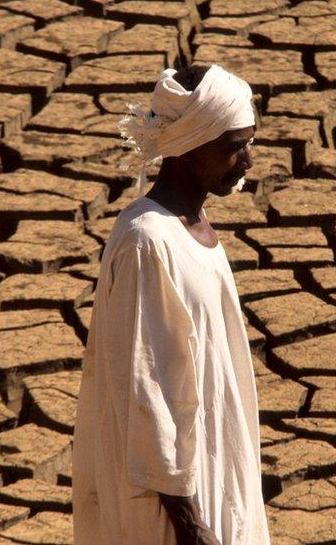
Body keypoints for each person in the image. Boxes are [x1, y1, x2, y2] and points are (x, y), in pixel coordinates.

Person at [72, 63, 270, 545]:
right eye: (232, 147)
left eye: (249, 142)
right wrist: (190, 524)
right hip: (170, 506)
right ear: (186, 148)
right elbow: (149, 395)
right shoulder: (148, 242)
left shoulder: (192, 225)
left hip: (213, 467)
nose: (247, 161)